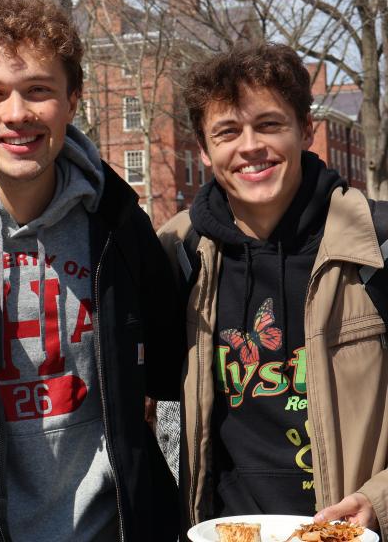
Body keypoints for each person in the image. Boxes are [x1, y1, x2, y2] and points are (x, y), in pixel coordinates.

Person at [0, 0, 182, 541]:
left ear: (73, 101)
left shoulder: (120, 228)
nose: (16, 114)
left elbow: (172, 374)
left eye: (39, 91)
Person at [158, 43, 388, 539]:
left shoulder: (376, 246)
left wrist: (381, 501)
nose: (250, 147)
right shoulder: (178, 252)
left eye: (269, 125)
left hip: (346, 531)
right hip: (224, 530)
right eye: (227, 132)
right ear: (203, 148)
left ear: (305, 129)